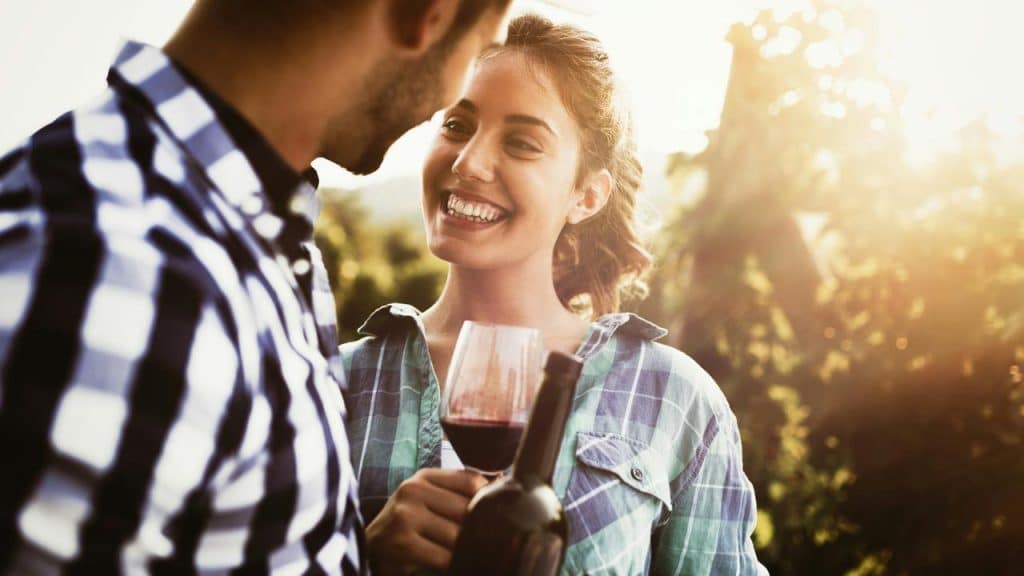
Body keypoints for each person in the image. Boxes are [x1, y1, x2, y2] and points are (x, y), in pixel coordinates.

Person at [0, 0, 511, 573]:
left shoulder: (239, 227)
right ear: (427, 14)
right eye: (477, 47)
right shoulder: (122, 275)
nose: (447, 99)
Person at [340, 14, 769, 575]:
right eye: (455, 125)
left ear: (586, 196)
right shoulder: (331, 383)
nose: (468, 162)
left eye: (522, 144)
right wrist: (358, 561)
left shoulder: (674, 398)